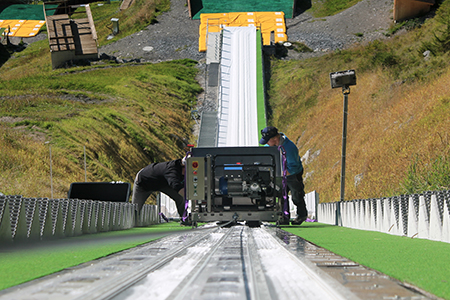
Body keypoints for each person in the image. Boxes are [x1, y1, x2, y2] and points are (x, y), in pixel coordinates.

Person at [259, 126, 307, 225]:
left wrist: (280, 172)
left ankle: (302, 215)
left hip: (293, 174)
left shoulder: (290, 148)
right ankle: (284, 217)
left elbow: (293, 168)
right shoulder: (269, 147)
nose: (267, 144)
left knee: (296, 195)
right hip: (279, 174)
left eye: (268, 141)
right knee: (281, 195)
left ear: (275, 139)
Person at [132, 158, 187, 223]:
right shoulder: (172, 171)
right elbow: (177, 187)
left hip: (162, 184)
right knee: (135, 209)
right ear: (183, 166)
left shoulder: (181, 170)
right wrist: (191, 198)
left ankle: (185, 219)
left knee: (180, 198)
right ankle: (132, 224)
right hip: (143, 183)